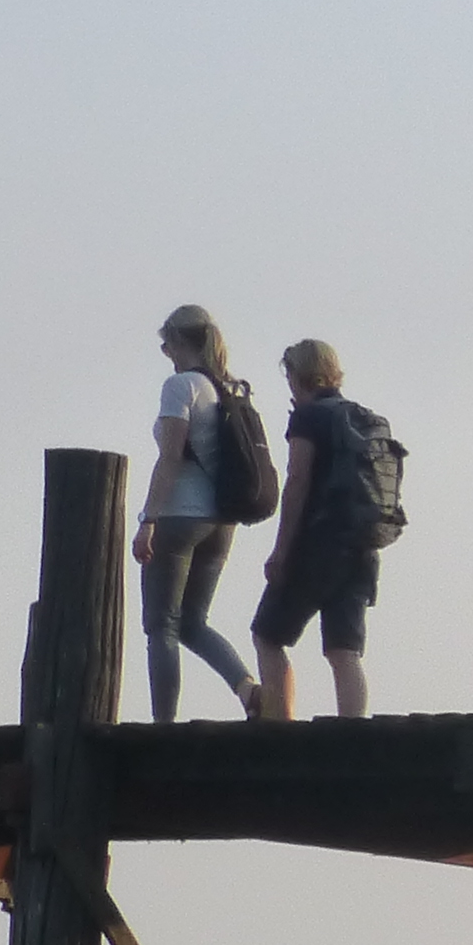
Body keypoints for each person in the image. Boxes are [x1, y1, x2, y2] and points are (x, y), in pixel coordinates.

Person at [132, 306, 258, 722]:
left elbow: (170, 457)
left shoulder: (181, 386)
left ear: (178, 341)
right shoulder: (229, 388)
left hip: (180, 517)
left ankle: (163, 724)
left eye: (166, 345)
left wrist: (148, 520)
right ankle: (247, 688)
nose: (166, 354)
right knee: (193, 622)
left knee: (161, 625)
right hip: (222, 521)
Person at [250, 339, 374, 719]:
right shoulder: (363, 417)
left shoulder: (307, 418)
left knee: (268, 634)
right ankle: (353, 733)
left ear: (298, 374)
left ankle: (279, 726)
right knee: (344, 650)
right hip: (363, 544)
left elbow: (297, 480)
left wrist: (281, 550)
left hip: (317, 544)